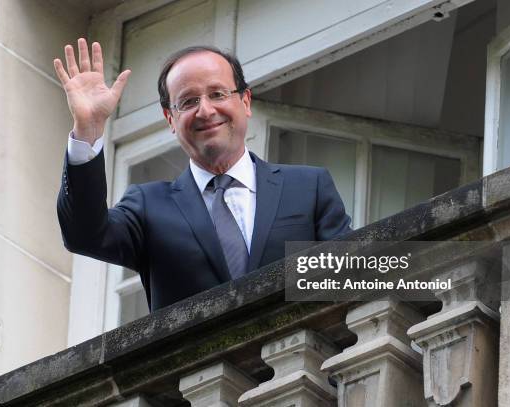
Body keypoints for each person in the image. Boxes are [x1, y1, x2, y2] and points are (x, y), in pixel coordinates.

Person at [55, 38, 351, 311]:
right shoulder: (149, 206)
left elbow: (356, 277)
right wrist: (89, 130)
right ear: (170, 119)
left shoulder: (308, 188)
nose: (206, 110)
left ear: (245, 102)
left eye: (218, 94)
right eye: (188, 101)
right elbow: (85, 235)